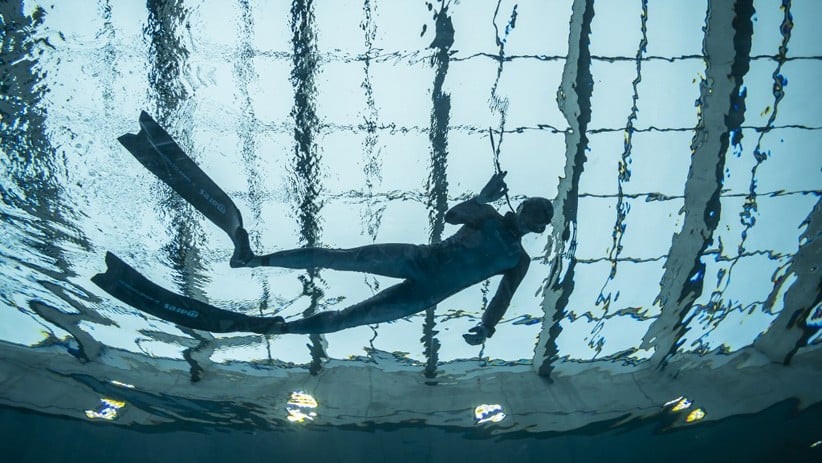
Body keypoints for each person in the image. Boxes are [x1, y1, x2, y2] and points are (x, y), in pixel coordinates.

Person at [94, 112, 553, 345]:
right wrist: (484, 198)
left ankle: (282, 328)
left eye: (544, 221)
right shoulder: (489, 217)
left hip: (426, 293)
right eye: (537, 212)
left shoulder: (519, 260)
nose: (538, 222)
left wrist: (486, 328)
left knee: (346, 321)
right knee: (342, 257)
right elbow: (451, 217)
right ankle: (252, 259)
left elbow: (502, 299)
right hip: (419, 259)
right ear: (525, 208)